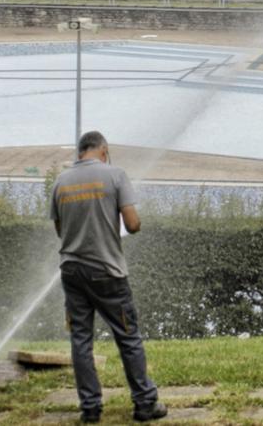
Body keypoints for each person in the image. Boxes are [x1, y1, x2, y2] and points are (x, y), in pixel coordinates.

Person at [50, 131, 167, 423]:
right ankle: (145, 403)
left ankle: (90, 408)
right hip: (107, 273)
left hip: (72, 271)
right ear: (103, 150)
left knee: (80, 340)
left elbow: (60, 230)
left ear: (80, 152)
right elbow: (133, 223)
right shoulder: (115, 175)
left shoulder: (60, 182)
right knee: (128, 338)